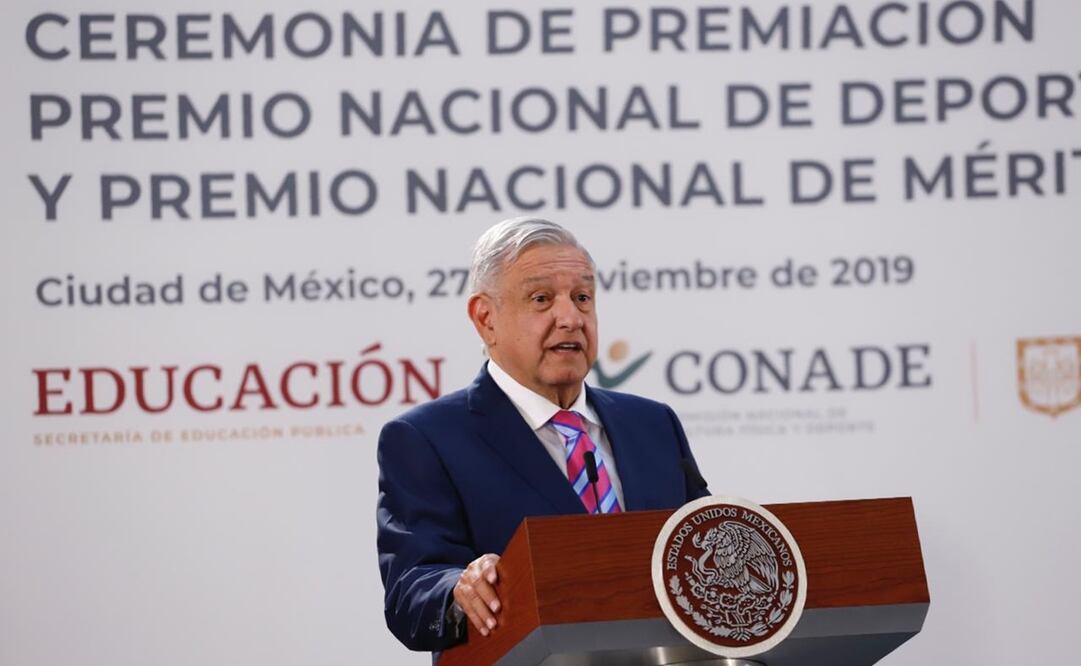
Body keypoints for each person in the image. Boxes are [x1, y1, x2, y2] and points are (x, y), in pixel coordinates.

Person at [376, 217, 709, 655]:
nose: (570, 318)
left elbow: (705, 546)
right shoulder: (427, 438)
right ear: (485, 318)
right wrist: (460, 589)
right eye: (541, 299)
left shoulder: (653, 424)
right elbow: (411, 590)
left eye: (582, 297)